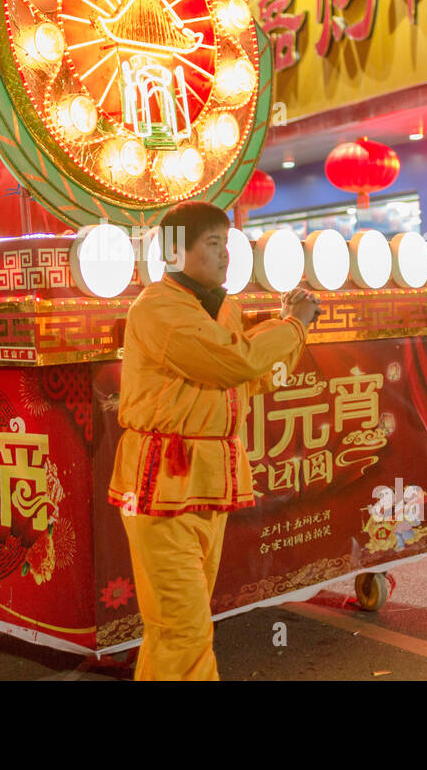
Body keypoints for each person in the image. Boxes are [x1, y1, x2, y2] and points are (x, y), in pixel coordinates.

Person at [108, 201, 318, 680]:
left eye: (227, 243)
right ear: (176, 251)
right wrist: (291, 327)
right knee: (184, 627)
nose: (226, 254)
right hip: (163, 480)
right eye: (213, 243)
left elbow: (250, 375)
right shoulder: (158, 307)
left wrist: (287, 340)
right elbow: (232, 363)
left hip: (208, 482)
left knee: (180, 623)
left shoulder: (224, 307)